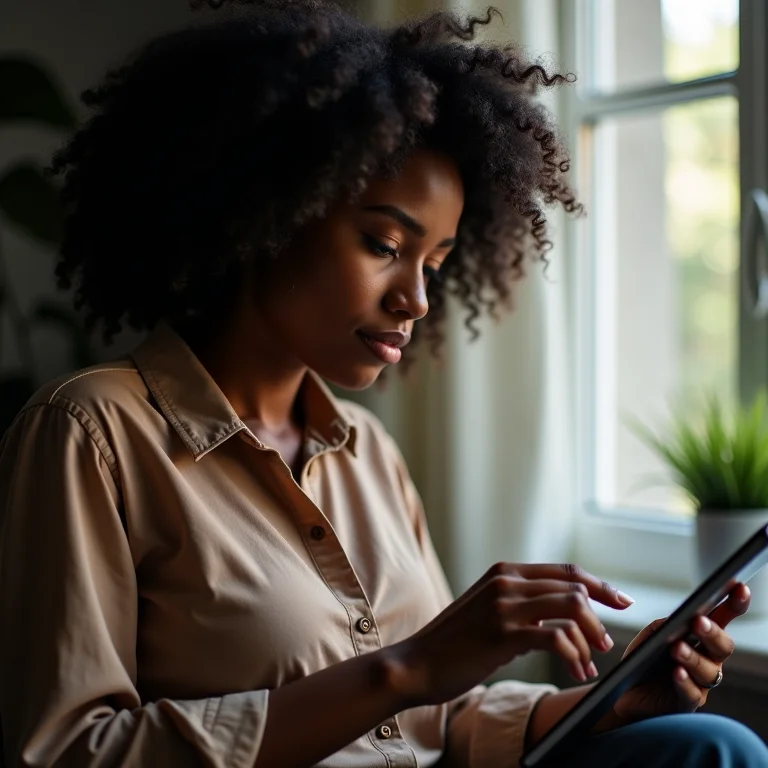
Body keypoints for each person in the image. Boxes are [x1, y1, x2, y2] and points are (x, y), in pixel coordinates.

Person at [0, 1, 766, 766]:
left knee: (710, 744)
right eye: (382, 244)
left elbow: (438, 719)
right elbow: (72, 750)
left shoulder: (367, 449)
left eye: (433, 264)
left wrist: (605, 701)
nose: (417, 300)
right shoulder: (92, 435)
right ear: (267, 214)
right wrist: (406, 669)